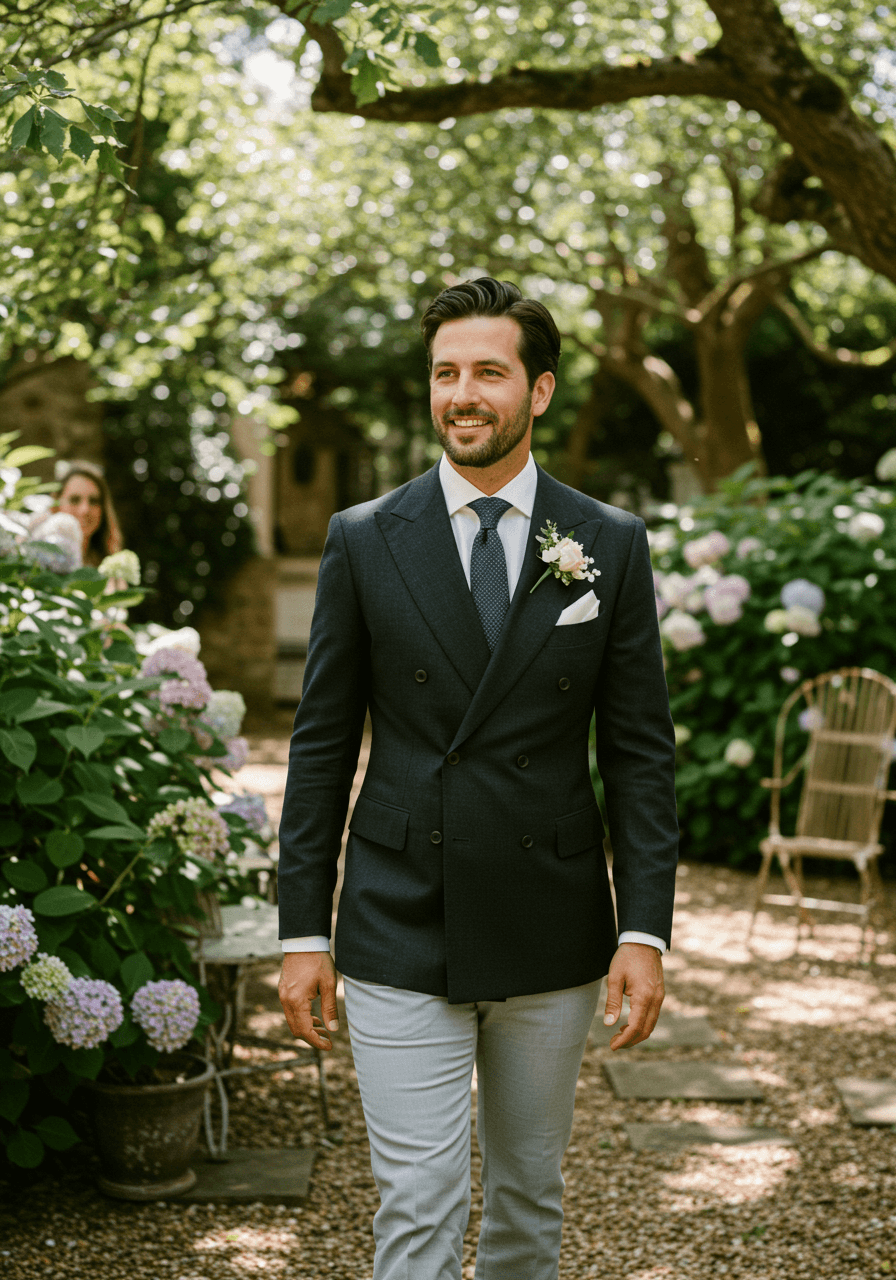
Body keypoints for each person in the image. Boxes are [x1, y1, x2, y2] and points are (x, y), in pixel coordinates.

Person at [277, 277, 678, 1280]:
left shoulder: (609, 544)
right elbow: (320, 743)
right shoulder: (365, 537)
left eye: (486, 371)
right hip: (396, 909)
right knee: (418, 1200)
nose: (462, 392)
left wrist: (643, 927)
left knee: (526, 1201)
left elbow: (637, 751)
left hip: (549, 917)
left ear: (535, 391)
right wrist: (299, 930)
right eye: (444, 372)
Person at [53, 460, 123, 567]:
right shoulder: (35, 561)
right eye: (74, 500)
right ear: (56, 504)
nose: (85, 510)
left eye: (94, 501)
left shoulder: (113, 567)